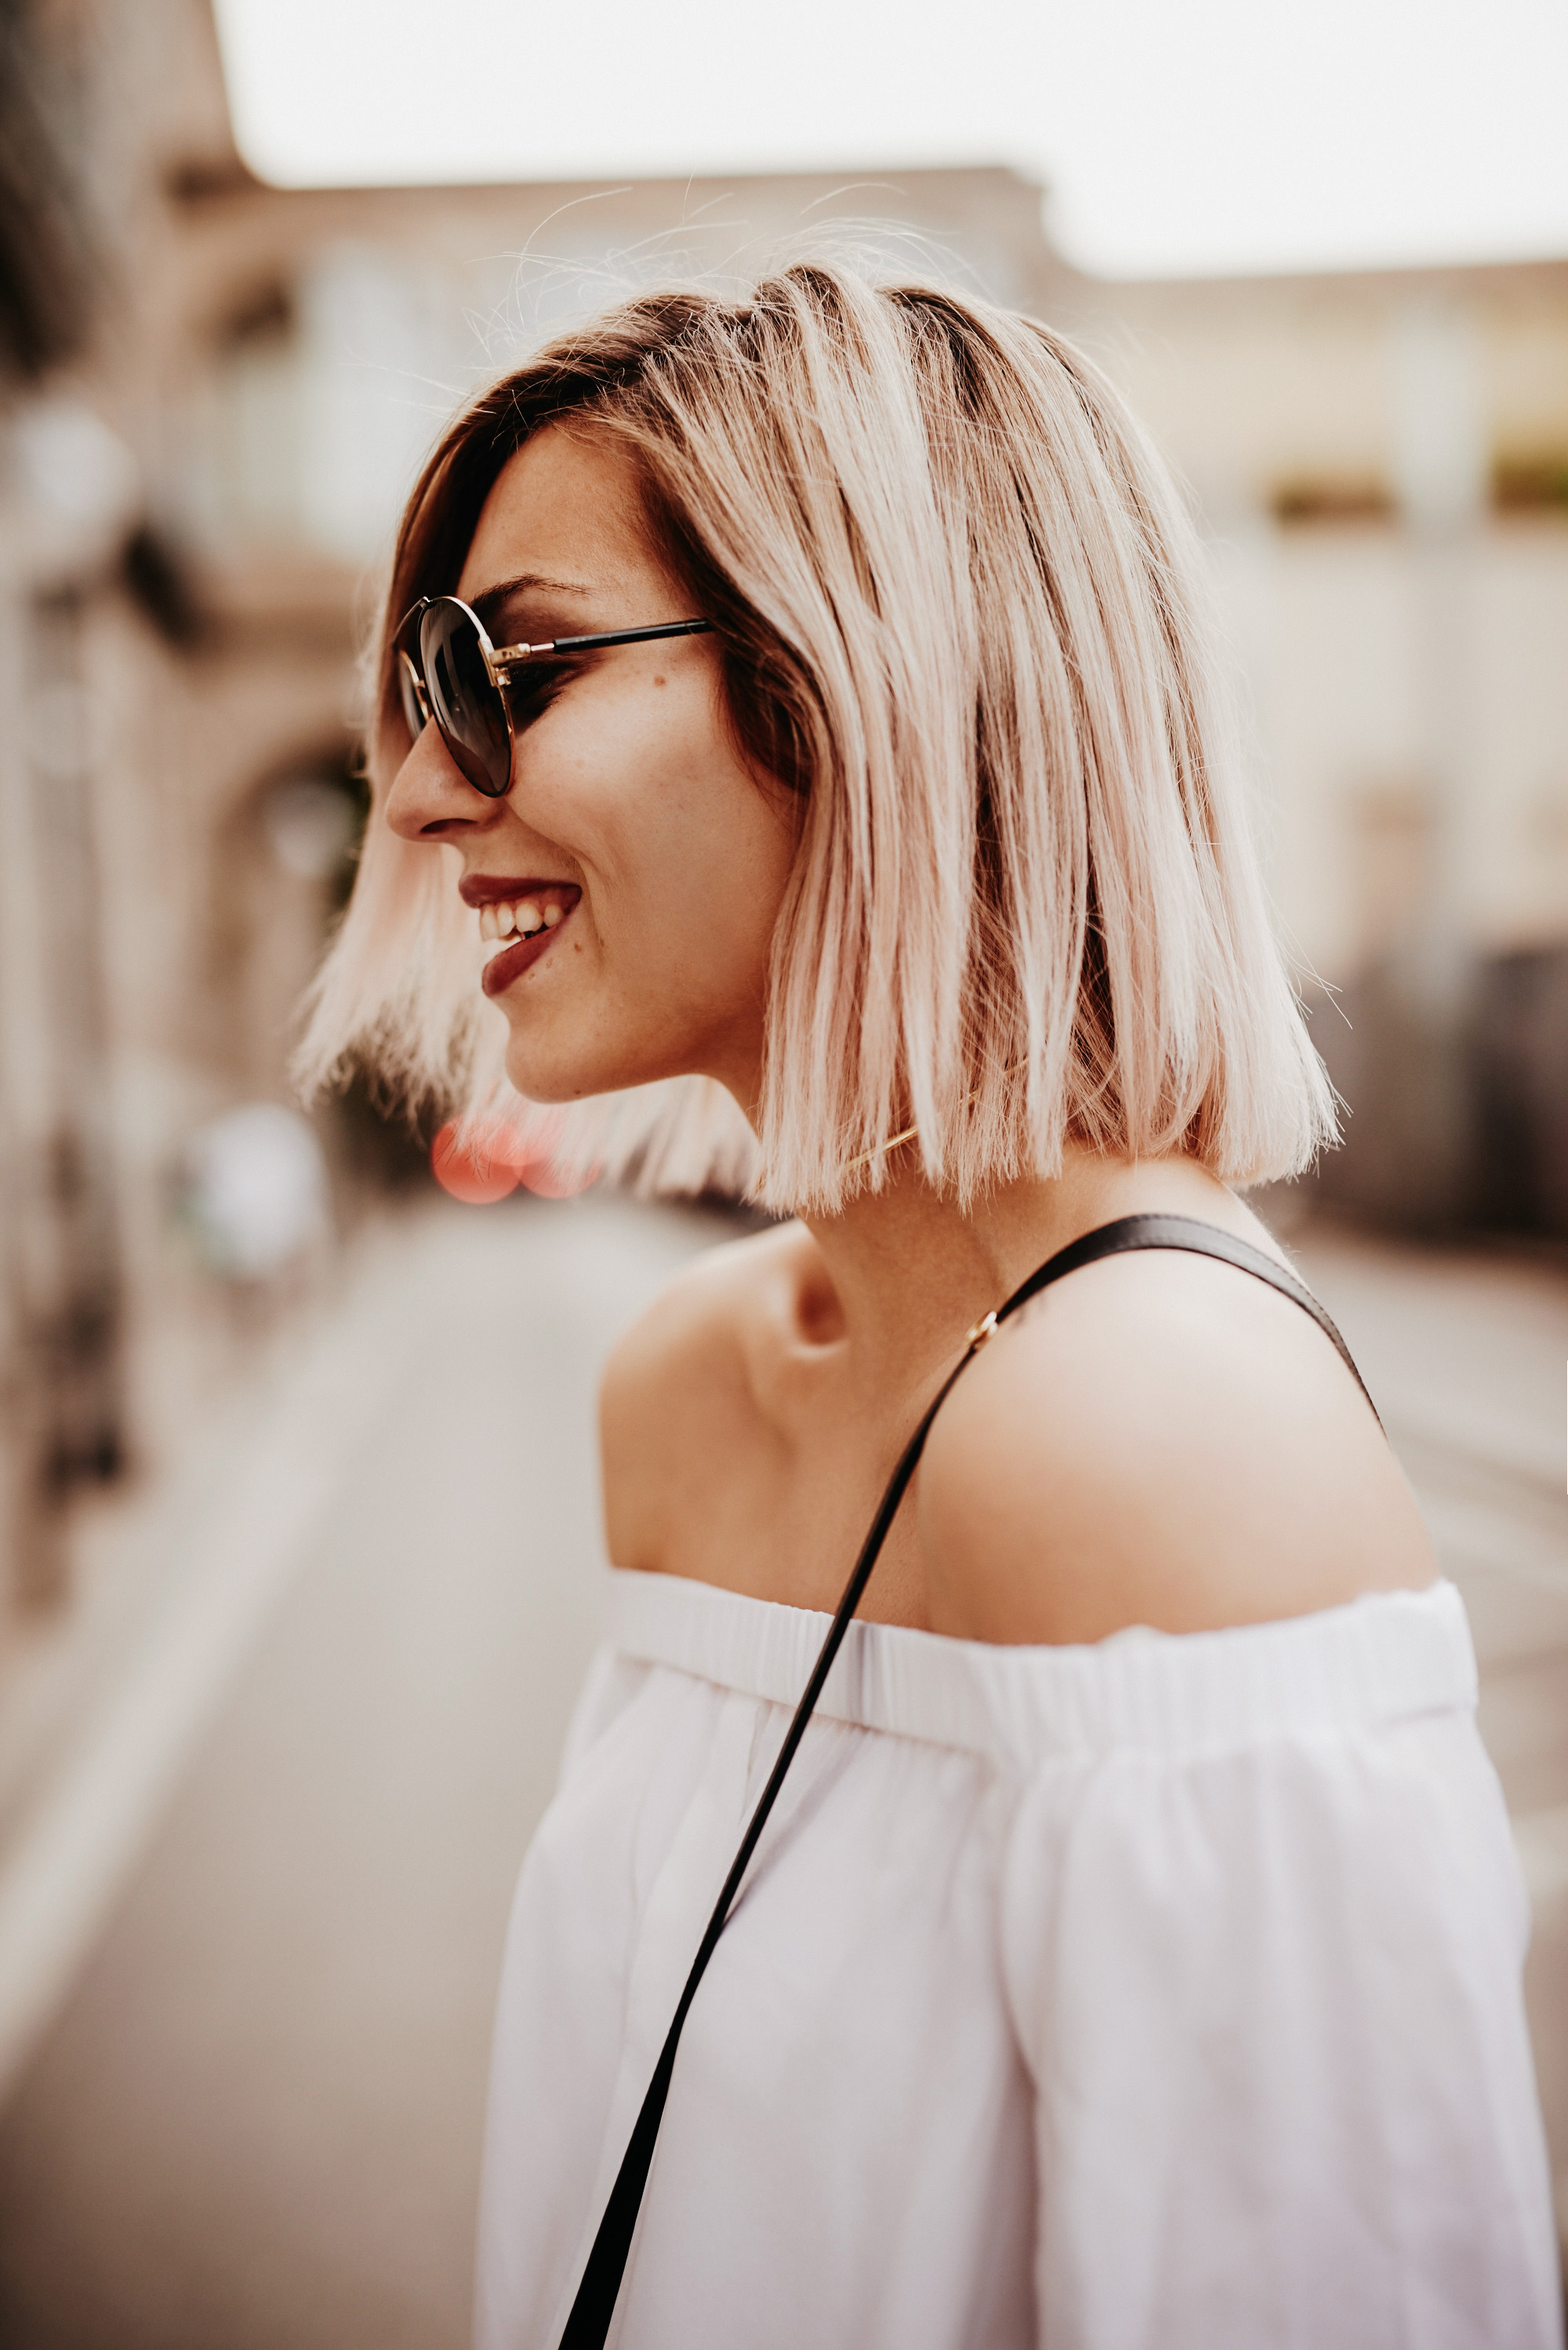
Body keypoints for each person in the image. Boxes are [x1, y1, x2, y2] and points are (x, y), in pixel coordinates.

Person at [297, 263, 1560, 2348]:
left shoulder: (1159, 1445)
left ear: (865, 674)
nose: (427, 799)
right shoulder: (690, 1389)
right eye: (429, 692)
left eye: (510, 668)